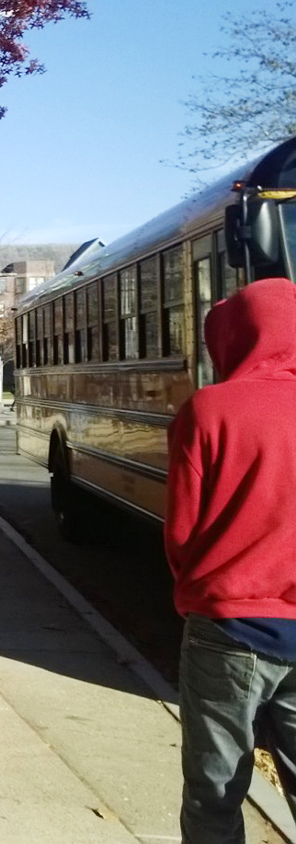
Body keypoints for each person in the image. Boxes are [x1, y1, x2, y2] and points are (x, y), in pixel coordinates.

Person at [165, 279, 296, 843]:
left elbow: (182, 531)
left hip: (227, 627)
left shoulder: (208, 410)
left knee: (214, 793)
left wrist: (197, 590)